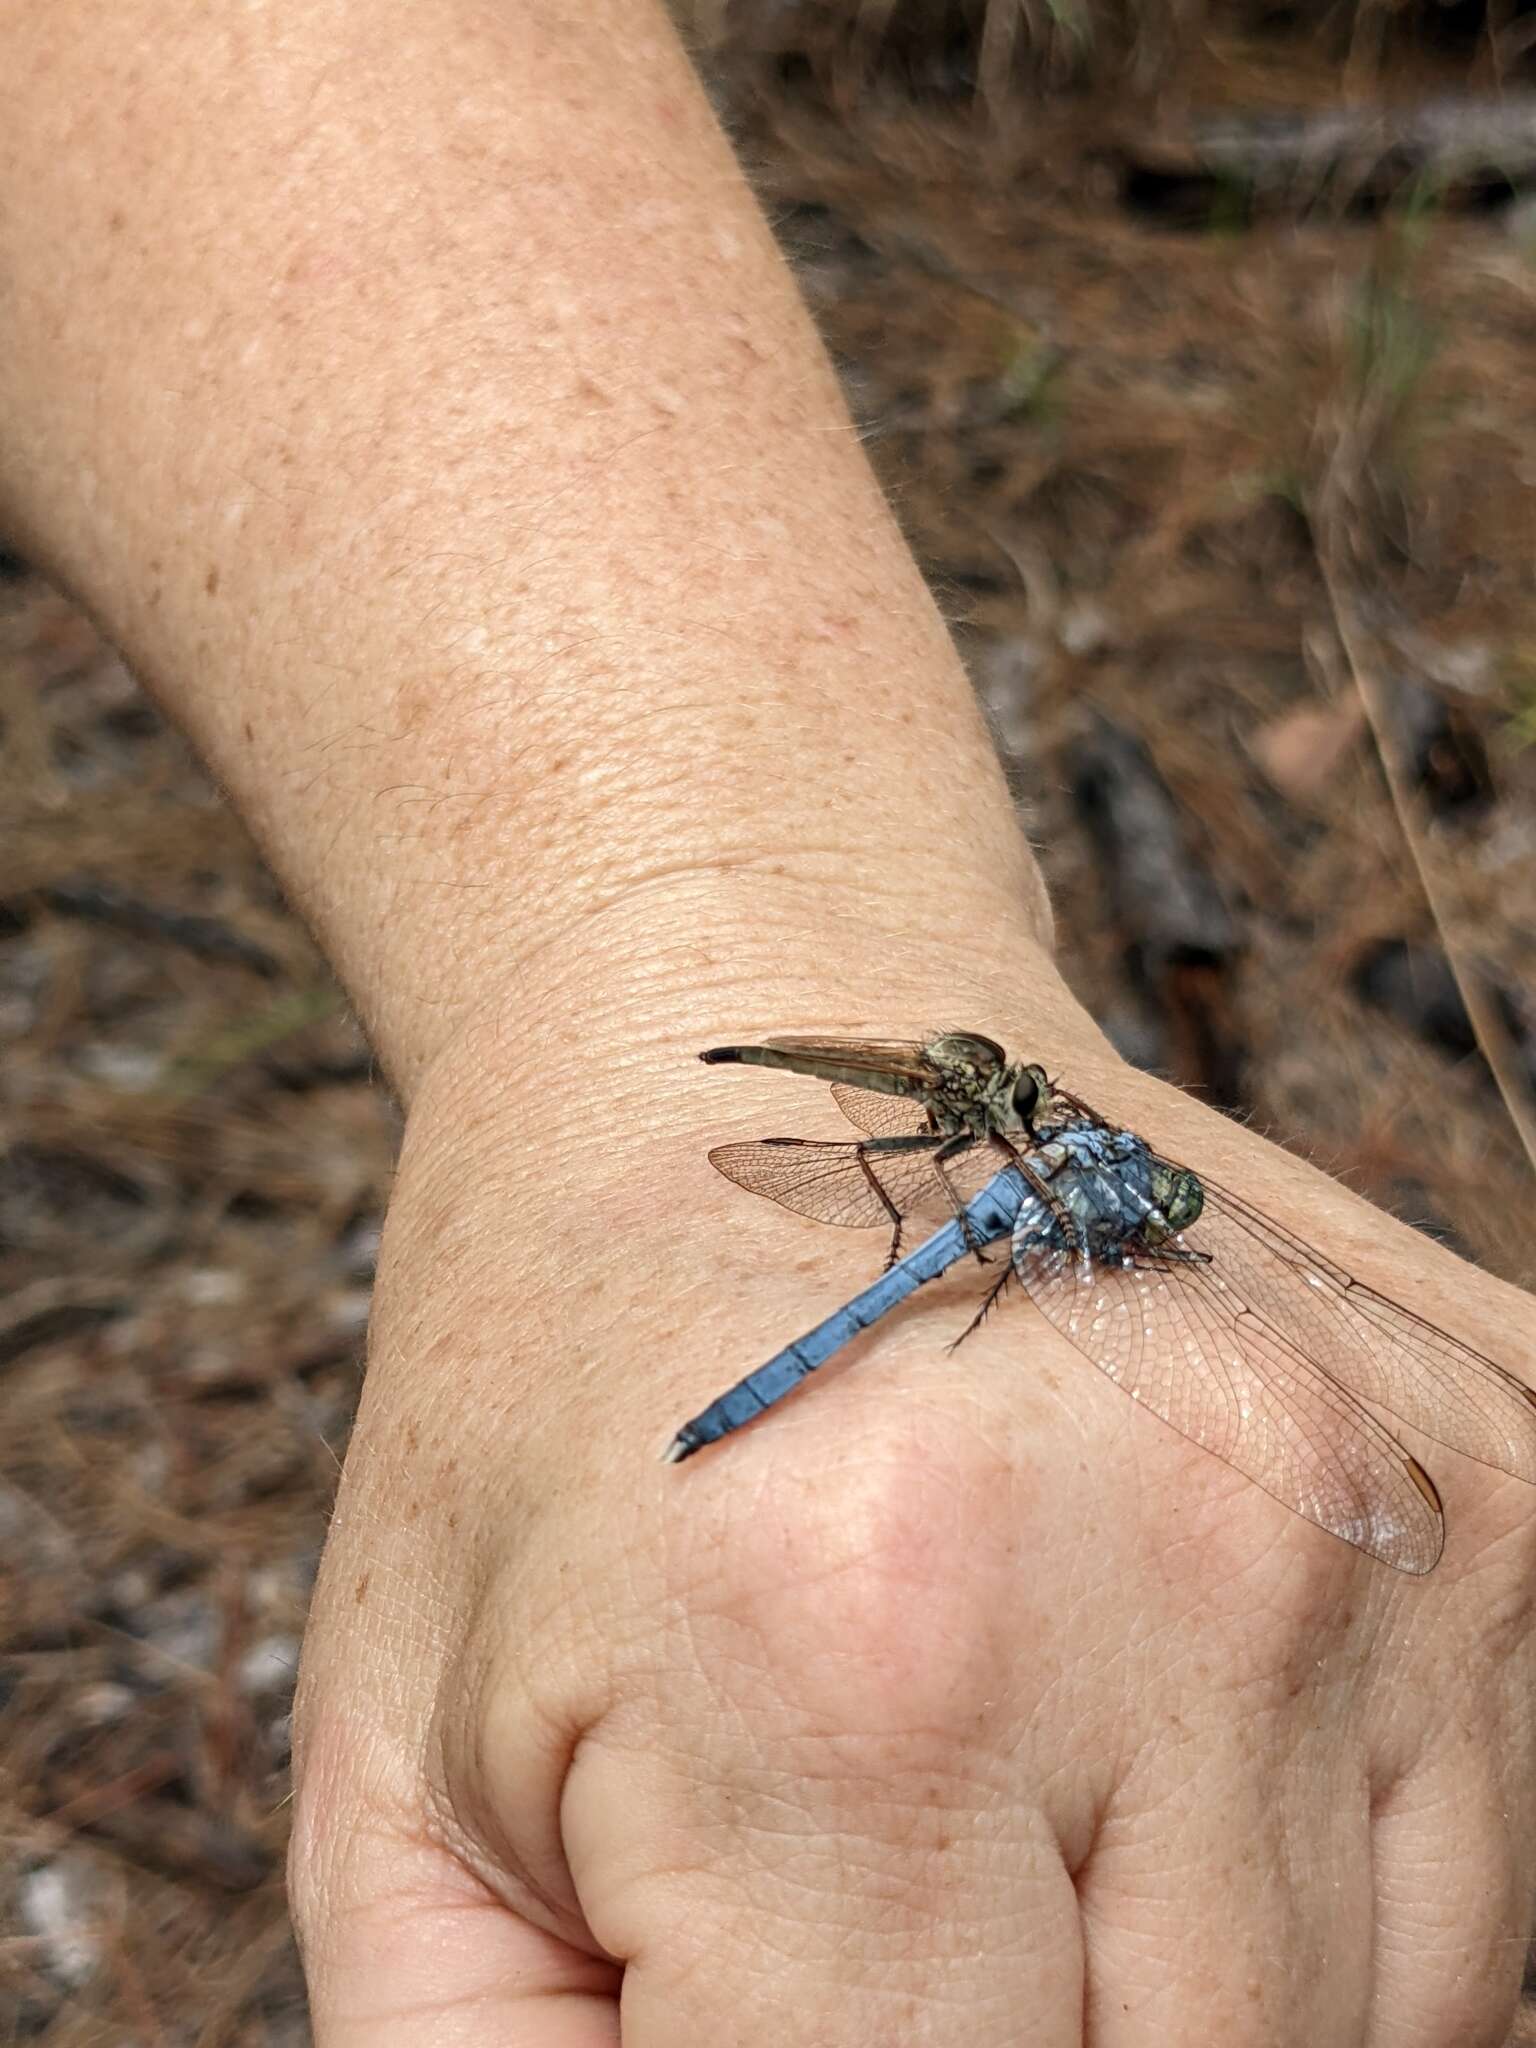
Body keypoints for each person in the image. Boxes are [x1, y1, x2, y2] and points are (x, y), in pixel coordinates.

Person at [2, 4, 1532, 2040]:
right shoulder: (1025, 1166)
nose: (1150, 1203)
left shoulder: (1088, 1180)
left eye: (1137, 1190)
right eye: (1134, 1191)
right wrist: (655, 965)